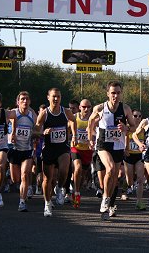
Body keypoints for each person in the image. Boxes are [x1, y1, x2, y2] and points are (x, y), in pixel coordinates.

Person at [88, 81, 136, 220]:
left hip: (118, 146)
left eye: (118, 93)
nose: (115, 95)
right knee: (110, 169)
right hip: (103, 144)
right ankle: (105, 198)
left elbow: (133, 127)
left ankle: (109, 200)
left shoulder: (125, 109)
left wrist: (126, 128)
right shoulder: (100, 108)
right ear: (108, 93)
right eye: (113, 93)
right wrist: (91, 137)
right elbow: (90, 121)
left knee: (115, 177)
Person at [34, 88, 77, 217]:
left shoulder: (66, 111)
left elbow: (73, 121)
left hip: (62, 147)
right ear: (48, 97)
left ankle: (59, 188)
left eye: (58, 96)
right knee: (47, 178)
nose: (56, 99)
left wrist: (73, 135)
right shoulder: (44, 113)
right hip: (49, 148)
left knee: (64, 169)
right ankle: (47, 204)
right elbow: (35, 130)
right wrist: (42, 132)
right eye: (54, 96)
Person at [9, 91, 38, 212]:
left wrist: (37, 135)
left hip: (27, 149)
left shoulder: (33, 115)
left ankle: (22, 201)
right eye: (22, 99)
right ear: (18, 102)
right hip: (14, 149)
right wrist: (11, 133)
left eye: (27, 99)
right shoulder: (12, 113)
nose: (25, 101)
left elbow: (37, 129)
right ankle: (20, 188)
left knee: (25, 175)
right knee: (15, 179)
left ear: (30, 102)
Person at [70, 99, 93, 208]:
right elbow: (66, 129)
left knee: (82, 175)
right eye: (84, 107)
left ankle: (76, 186)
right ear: (79, 107)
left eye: (88, 107)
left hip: (88, 150)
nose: (86, 109)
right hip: (76, 148)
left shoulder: (93, 119)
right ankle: (76, 193)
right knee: (77, 168)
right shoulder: (74, 117)